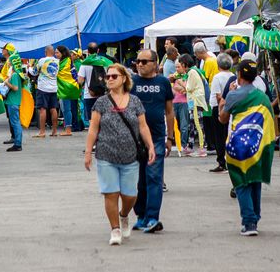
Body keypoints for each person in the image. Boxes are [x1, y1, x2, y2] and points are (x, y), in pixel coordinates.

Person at [84, 63, 156, 246]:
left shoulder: (135, 101)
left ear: (124, 79)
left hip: (130, 155)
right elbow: (93, 128)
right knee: (111, 193)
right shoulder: (101, 102)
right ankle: (115, 229)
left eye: (114, 76)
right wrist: (88, 152)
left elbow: (142, 126)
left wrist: (150, 146)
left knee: (130, 194)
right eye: (107, 77)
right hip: (106, 154)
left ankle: (124, 215)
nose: (109, 79)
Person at [218, 58, 276, 236]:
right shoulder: (262, 96)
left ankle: (249, 222)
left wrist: (223, 102)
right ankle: (255, 218)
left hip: (239, 145)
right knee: (255, 180)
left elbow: (223, 118)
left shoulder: (234, 95)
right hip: (259, 144)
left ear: (239, 75)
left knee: (241, 182)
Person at [130, 48, 174, 233]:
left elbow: (169, 111)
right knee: (138, 180)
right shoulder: (131, 82)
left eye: (144, 61)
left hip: (155, 138)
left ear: (155, 64)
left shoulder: (163, 82)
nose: (140, 64)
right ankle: (141, 216)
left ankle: (153, 217)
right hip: (134, 138)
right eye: (138, 61)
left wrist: (170, 138)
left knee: (154, 177)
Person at [177, 53, 209, 157]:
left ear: (185, 64)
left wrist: (179, 82)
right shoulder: (193, 71)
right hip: (193, 101)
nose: (180, 66)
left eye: (181, 64)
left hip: (195, 101)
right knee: (192, 124)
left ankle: (202, 147)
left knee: (198, 125)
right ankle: (190, 146)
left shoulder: (192, 72)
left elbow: (188, 88)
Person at [207, 53, 235, 173]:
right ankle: (228, 159)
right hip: (231, 107)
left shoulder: (217, 77)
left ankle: (221, 162)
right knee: (227, 134)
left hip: (218, 107)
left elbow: (218, 96)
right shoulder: (233, 76)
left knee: (219, 136)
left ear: (218, 65)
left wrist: (220, 110)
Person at [76, 43, 111, 136]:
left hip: (89, 95)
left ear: (88, 51)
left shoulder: (85, 63)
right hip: (104, 94)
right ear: (98, 50)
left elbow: (80, 80)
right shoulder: (105, 62)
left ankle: (94, 142)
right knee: (103, 118)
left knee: (92, 120)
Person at [33, 45, 60, 137]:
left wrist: (29, 68)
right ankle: (54, 131)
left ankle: (42, 132)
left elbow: (34, 72)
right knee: (53, 108)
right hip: (54, 88)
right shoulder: (58, 61)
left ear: (45, 52)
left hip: (43, 88)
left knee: (42, 109)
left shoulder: (41, 60)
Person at [2, 53, 25, 152]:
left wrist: (7, 83)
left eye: (10, 63)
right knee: (15, 122)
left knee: (15, 123)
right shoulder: (18, 74)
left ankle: (18, 143)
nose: (9, 65)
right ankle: (17, 142)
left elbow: (15, 88)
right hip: (14, 101)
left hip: (13, 101)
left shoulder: (15, 75)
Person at [56, 45, 81, 135]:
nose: (56, 54)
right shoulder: (67, 60)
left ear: (62, 53)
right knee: (67, 109)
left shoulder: (66, 61)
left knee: (66, 109)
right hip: (69, 87)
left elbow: (61, 73)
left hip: (66, 87)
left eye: (57, 52)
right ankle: (69, 128)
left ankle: (68, 130)